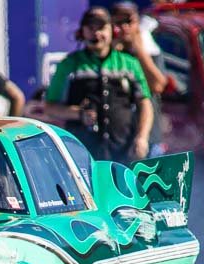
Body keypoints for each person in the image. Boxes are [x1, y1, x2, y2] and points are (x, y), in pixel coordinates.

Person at [43, 7, 153, 164]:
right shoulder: (69, 65)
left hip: (123, 153)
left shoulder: (129, 64)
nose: (96, 33)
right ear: (82, 32)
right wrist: (78, 114)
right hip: (83, 156)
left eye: (101, 28)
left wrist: (142, 137)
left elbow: (145, 103)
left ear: (113, 31)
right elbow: (49, 107)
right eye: (90, 28)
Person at [111, 1, 168, 157]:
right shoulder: (107, 54)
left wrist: (138, 49)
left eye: (129, 22)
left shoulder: (149, 49)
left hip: (149, 138)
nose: (124, 27)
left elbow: (157, 85)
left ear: (137, 23)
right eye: (119, 22)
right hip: (118, 139)